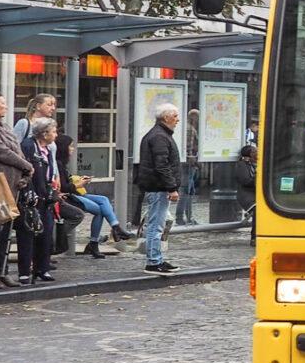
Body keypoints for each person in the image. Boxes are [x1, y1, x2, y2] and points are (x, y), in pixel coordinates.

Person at [0, 91, 34, 289]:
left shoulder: (2, 126)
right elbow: (1, 152)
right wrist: (26, 165)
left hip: (12, 184)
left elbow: (16, 148)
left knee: (5, 232)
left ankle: (1, 271)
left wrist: (24, 168)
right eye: (2, 103)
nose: (5, 106)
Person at [54, 135, 133, 258]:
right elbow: (64, 187)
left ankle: (112, 231)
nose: (72, 149)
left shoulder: (62, 163)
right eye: (70, 146)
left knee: (104, 200)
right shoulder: (58, 163)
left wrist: (79, 179)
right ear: (63, 148)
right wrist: (80, 183)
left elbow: (67, 181)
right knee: (100, 209)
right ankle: (98, 240)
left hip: (74, 193)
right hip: (68, 197)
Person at [136, 103, 182, 275]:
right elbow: (162, 165)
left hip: (158, 187)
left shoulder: (159, 134)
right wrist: (172, 188)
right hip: (158, 187)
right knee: (156, 225)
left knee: (157, 224)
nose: (177, 119)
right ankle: (153, 262)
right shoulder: (159, 137)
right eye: (175, 116)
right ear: (166, 117)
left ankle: (157, 259)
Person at [17, 117, 60, 284]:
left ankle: (42, 268)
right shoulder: (29, 146)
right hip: (31, 197)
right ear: (44, 133)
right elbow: (25, 170)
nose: (56, 135)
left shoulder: (47, 149)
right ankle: (24, 271)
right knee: (27, 234)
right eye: (54, 131)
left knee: (46, 233)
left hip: (46, 197)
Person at [176, 108, 199, 225]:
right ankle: (181, 217)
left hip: (186, 164)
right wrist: (194, 161)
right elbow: (189, 149)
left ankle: (188, 217)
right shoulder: (190, 129)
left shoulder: (187, 128)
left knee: (189, 190)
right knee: (186, 190)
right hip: (188, 164)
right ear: (193, 117)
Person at [236, 144, 257, 244]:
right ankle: (254, 237)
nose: (257, 153)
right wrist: (258, 178)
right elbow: (245, 181)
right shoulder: (241, 165)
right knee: (258, 211)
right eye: (254, 152)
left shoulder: (255, 164)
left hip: (257, 195)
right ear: (249, 154)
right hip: (246, 196)